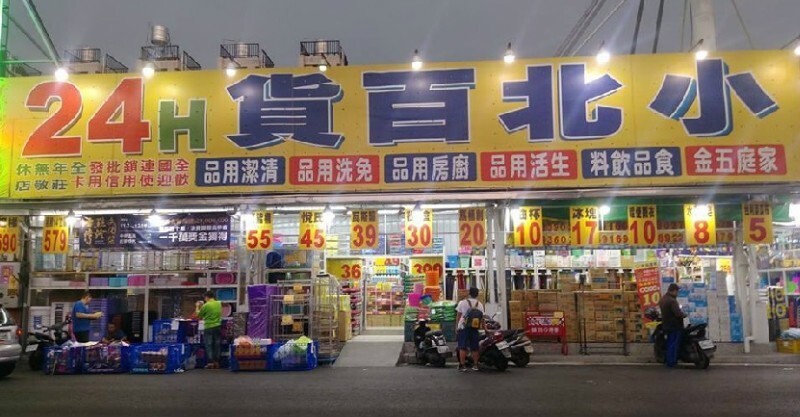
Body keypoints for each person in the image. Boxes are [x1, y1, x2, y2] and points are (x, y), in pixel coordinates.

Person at [456, 287, 484, 372]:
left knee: (462, 347)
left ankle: (462, 365)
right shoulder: (480, 304)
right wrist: (485, 328)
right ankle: (475, 365)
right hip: (474, 327)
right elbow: (482, 318)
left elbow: (459, 315)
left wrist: (457, 326)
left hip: (463, 327)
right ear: (477, 294)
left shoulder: (462, 303)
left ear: (469, 293)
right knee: (474, 347)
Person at [659, 283, 687, 368]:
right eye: (677, 291)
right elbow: (678, 313)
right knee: (673, 344)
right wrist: (684, 315)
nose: (678, 293)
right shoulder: (672, 301)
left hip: (667, 324)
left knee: (670, 342)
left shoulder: (663, 299)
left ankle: (669, 360)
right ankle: (672, 361)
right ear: (674, 291)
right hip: (675, 325)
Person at [196, 291, 222, 369]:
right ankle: (217, 362)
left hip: (209, 327)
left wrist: (197, 306)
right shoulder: (218, 303)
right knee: (217, 344)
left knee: (209, 344)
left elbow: (199, 315)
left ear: (207, 297)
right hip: (217, 326)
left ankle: (210, 362)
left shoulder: (206, 305)